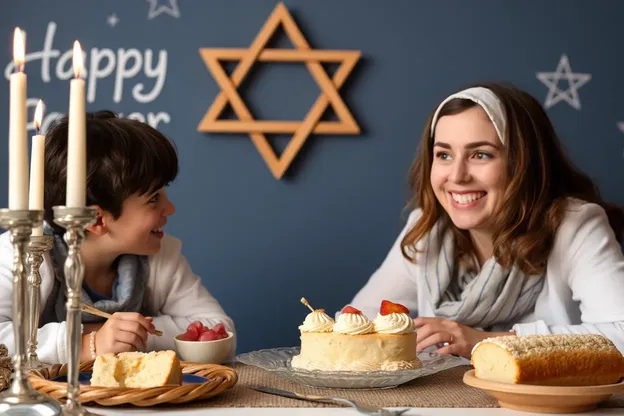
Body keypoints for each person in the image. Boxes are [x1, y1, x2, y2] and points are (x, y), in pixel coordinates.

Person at [346, 83, 624, 358]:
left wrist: (486, 342)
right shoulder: (427, 230)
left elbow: (620, 335)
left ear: (524, 164)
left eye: (481, 154)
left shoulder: (574, 225)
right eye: (444, 155)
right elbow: (359, 323)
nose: (457, 176)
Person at [0, 111, 235, 364]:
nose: (170, 209)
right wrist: (87, 343)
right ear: (97, 220)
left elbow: (218, 330)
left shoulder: (158, 253)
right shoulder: (24, 252)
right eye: (154, 198)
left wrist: (129, 336)